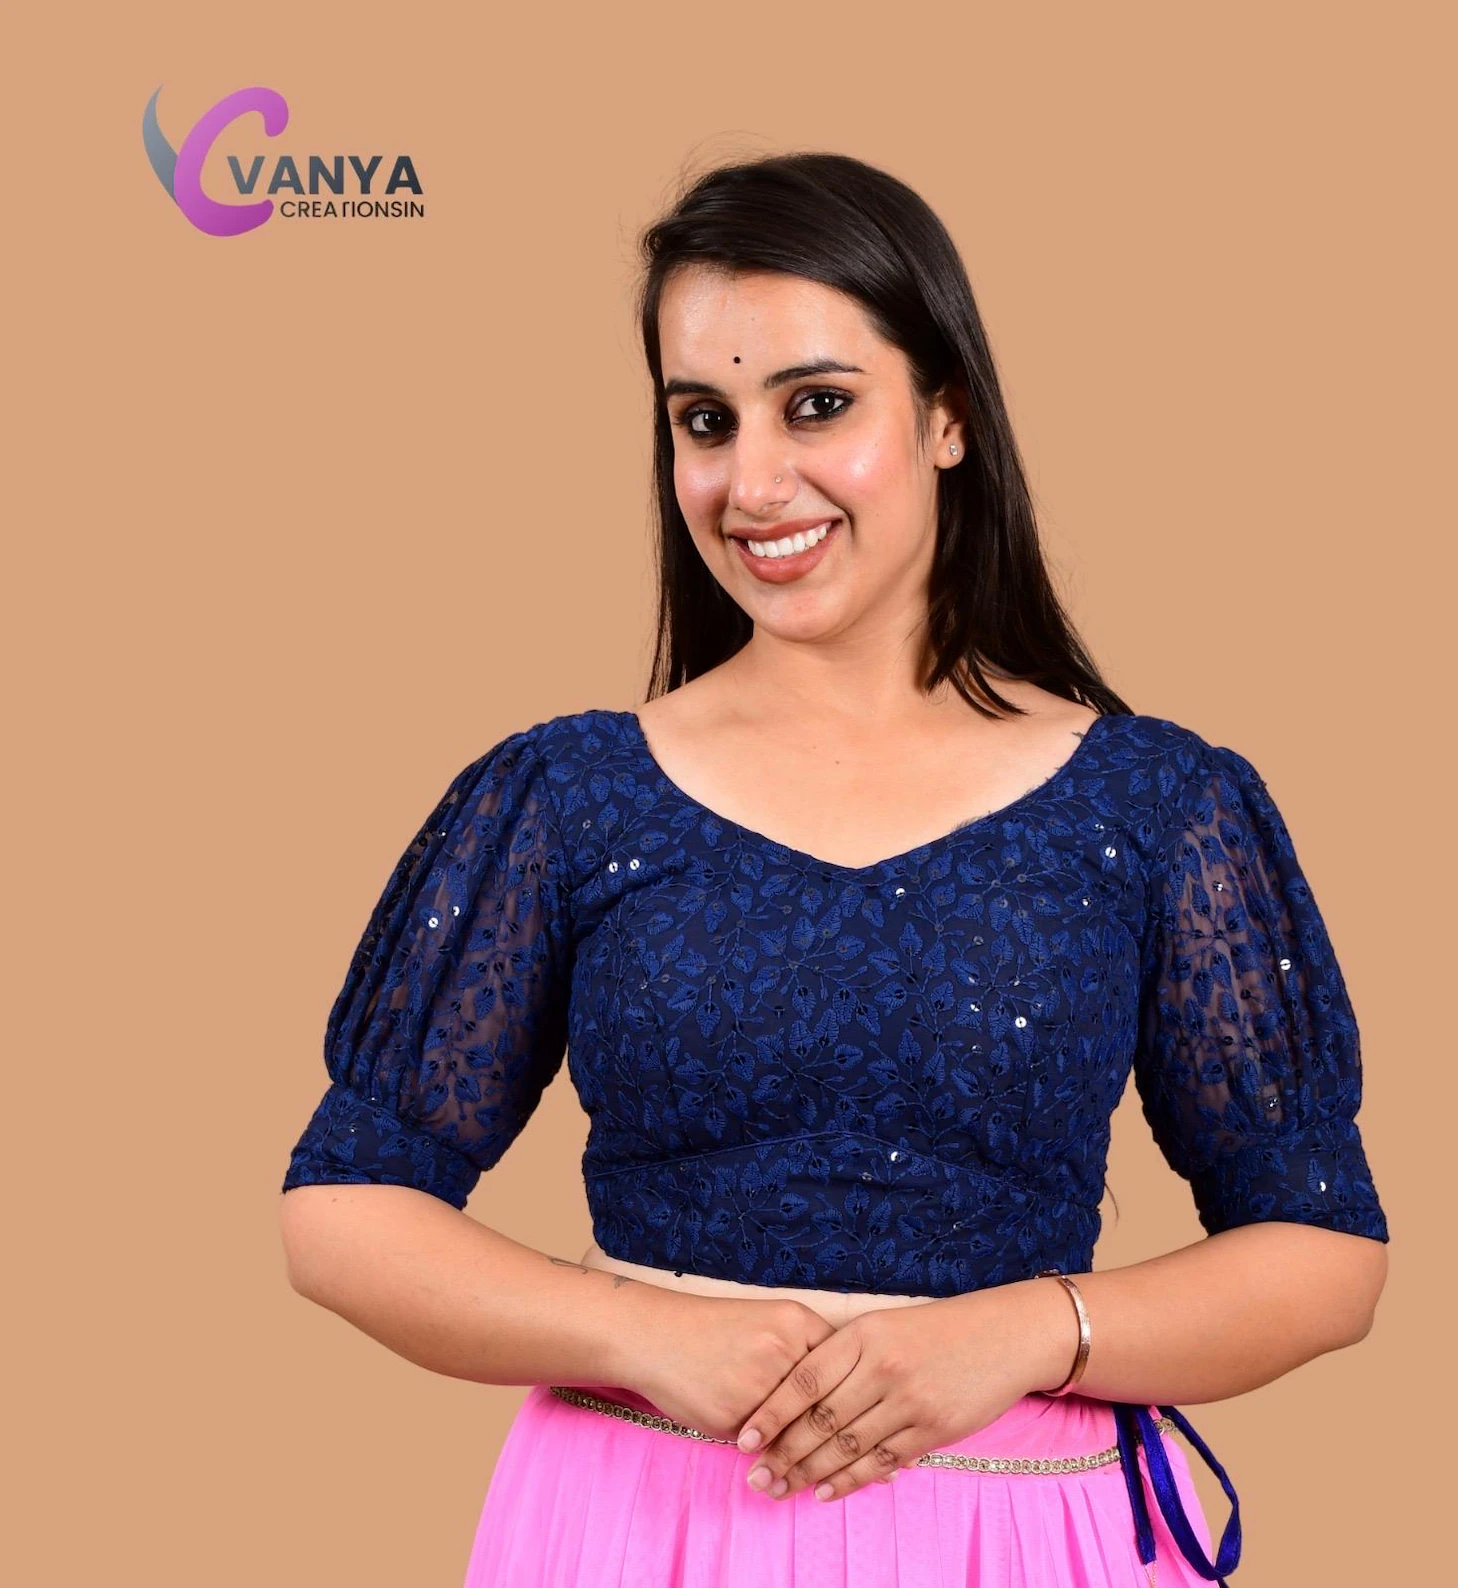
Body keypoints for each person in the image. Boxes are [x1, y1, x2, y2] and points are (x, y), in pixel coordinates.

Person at [279, 151, 1390, 1587]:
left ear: (948, 416)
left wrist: (1034, 1331)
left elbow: (1323, 1250)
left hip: (1021, 1533)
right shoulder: (564, 796)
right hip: (637, 1528)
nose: (751, 483)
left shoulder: (1158, 807)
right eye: (704, 420)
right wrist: (640, 1333)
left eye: (817, 404)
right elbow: (342, 1213)